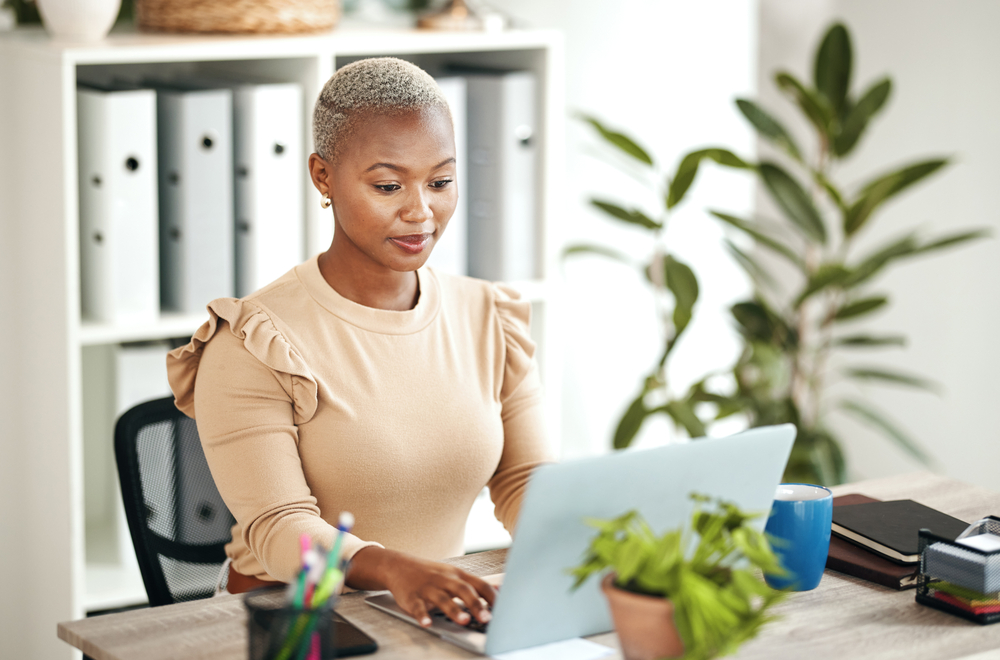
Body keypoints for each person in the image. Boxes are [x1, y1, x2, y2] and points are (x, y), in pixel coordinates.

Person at [166, 57, 553, 629]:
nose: (421, 211)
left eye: (441, 182)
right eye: (388, 185)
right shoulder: (254, 340)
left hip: (432, 616)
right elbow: (279, 524)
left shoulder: (489, 316)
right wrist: (395, 569)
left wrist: (588, 543)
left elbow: (524, 480)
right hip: (293, 624)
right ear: (323, 176)